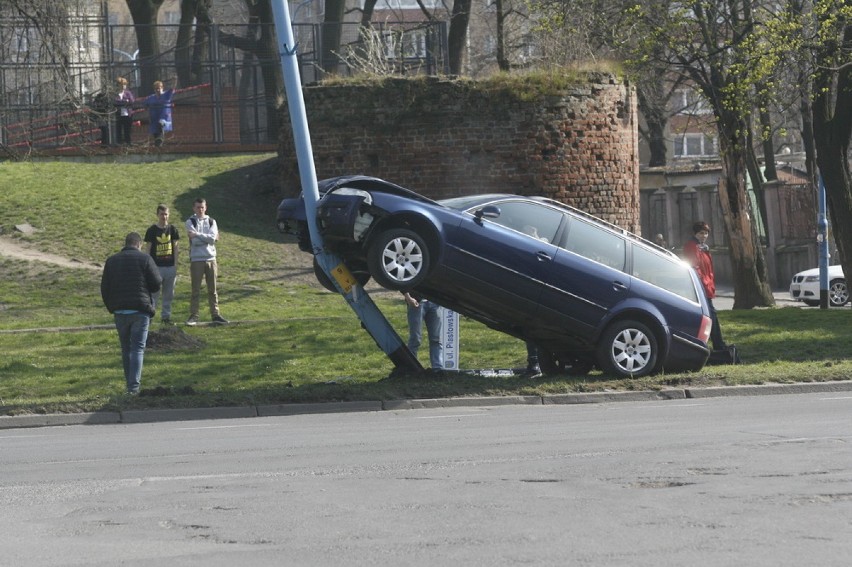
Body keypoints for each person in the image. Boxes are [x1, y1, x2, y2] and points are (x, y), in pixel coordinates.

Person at [100, 232, 162, 395]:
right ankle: (133, 388)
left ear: (126, 243)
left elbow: (105, 288)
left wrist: (111, 307)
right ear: (139, 244)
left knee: (126, 349)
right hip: (140, 310)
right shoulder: (145, 259)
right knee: (137, 349)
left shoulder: (112, 261)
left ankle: (130, 385)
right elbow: (156, 284)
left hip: (120, 311)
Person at [684, 221, 727, 351]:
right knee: (710, 316)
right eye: (701, 233)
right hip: (701, 286)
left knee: (709, 316)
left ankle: (713, 344)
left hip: (706, 285)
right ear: (695, 233)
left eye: (706, 233)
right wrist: (703, 284)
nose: (704, 236)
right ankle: (717, 344)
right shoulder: (693, 246)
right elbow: (695, 267)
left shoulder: (702, 247)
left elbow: (708, 269)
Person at [186, 198, 228, 325]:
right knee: (196, 290)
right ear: (194, 208)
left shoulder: (211, 221)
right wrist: (207, 238)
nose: (200, 210)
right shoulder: (190, 221)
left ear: (206, 208)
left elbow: (212, 240)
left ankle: (215, 314)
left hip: (211, 259)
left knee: (213, 289)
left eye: (202, 207)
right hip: (197, 259)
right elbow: (195, 242)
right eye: (198, 207)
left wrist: (198, 234)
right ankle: (194, 315)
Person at [144, 204, 180, 324]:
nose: (164, 217)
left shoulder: (173, 229)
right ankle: (150, 317)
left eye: (166, 214)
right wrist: (148, 267)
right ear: (157, 215)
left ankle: (166, 317)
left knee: (168, 295)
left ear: (168, 215)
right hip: (156, 267)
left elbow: (175, 247)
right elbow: (148, 249)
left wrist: (175, 265)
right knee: (153, 294)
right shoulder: (151, 230)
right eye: (161, 214)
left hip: (170, 267)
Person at [404, 292, 443, 371]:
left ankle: (438, 369)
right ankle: (412, 368)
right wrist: (408, 297)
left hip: (435, 303)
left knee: (436, 339)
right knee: (415, 338)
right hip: (416, 302)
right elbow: (402, 281)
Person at [144, 80, 174, 147]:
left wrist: (174, 81)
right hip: (154, 119)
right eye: (156, 88)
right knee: (156, 134)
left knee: (161, 125)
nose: (158, 90)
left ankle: (160, 143)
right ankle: (158, 145)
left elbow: (172, 89)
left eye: (159, 88)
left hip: (163, 118)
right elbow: (145, 104)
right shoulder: (151, 98)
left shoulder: (166, 95)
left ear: (162, 88)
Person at [114, 77, 135, 145]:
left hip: (127, 114)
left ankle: (128, 143)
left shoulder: (128, 93)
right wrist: (125, 101)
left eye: (125, 84)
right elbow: (115, 102)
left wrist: (123, 102)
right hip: (118, 115)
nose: (123, 86)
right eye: (122, 84)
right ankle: (119, 143)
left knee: (127, 130)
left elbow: (132, 101)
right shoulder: (115, 94)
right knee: (118, 130)